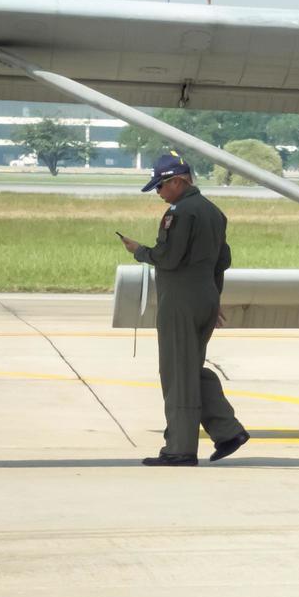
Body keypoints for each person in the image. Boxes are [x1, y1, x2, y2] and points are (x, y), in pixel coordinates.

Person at [120, 152, 248, 466]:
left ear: (178, 181)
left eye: (162, 186)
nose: (159, 193)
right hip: (205, 297)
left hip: (180, 301)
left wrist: (140, 252)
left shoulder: (180, 213)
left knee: (177, 373)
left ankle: (179, 448)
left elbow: (169, 258)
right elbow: (222, 262)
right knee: (190, 369)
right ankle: (227, 430)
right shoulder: (214, 213)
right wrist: (212, 299)